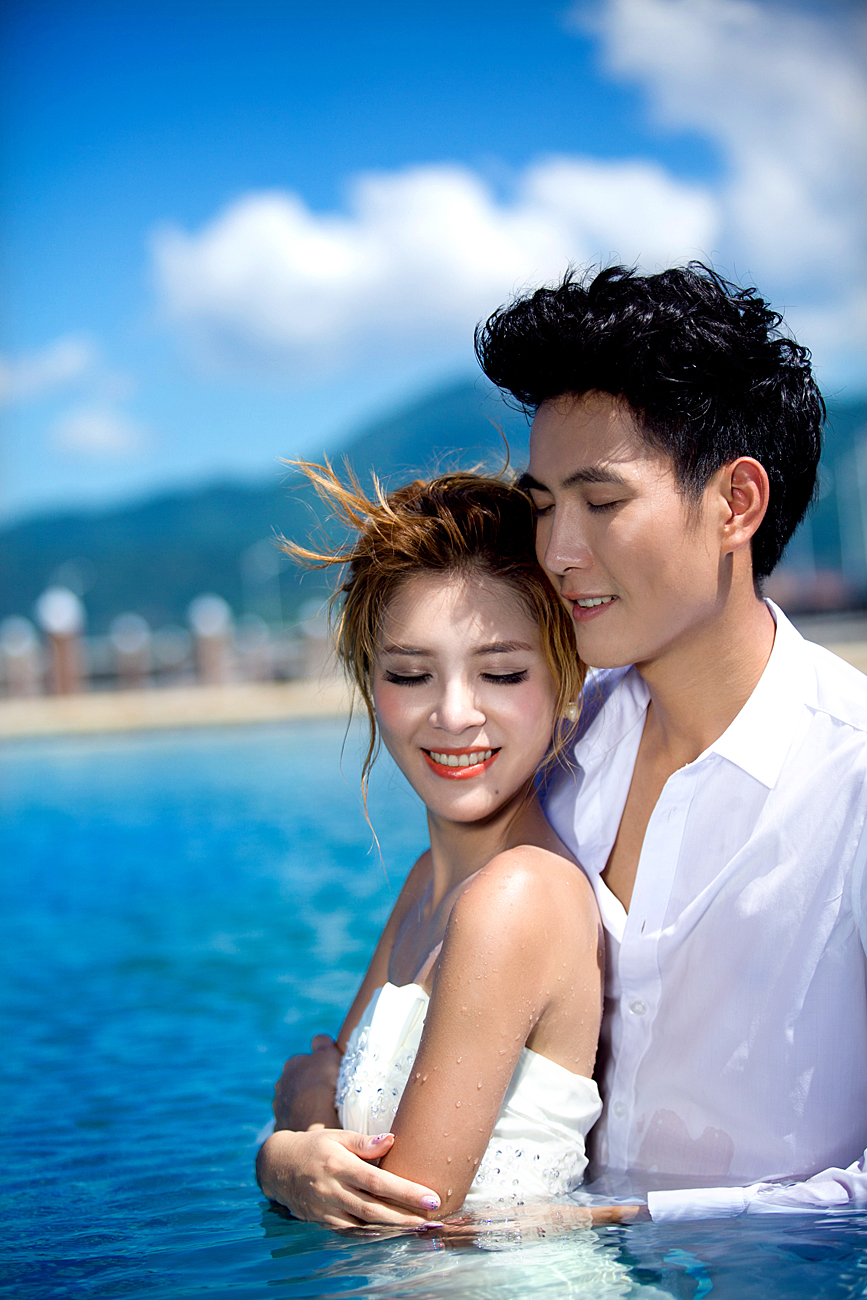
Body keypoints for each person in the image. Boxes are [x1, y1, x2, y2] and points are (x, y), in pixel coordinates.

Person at [258, 264, 867, 1226]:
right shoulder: (547, 743)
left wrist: (621, 1223)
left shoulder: (852, 779)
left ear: (736, 504)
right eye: (543, 505)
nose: (556, 552)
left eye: (601, 502)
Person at [257, 465, 619, 1226]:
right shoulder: (428, 882)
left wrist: (285, 1148)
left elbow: (407, 1214)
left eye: (502, 673)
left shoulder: (516, 896)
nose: (455, 714)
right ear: (370, 683)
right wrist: (309, 1139)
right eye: (411, 674)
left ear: (566, 682)